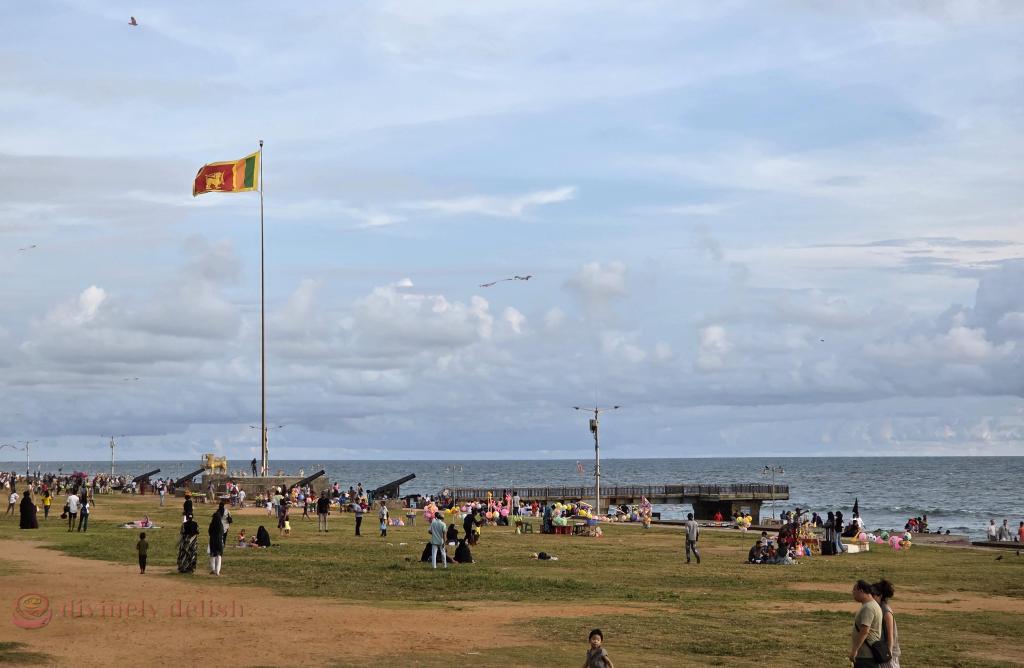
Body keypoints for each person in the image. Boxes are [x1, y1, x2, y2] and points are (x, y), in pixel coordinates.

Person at [849, 579, 883, 666]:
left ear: (861, 591)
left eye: (854, 591)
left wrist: (855, 650)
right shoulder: (872, 605)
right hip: (868, 654)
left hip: (866, 656)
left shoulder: (868, 608)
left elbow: (864, 631)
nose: (853, 593)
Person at [872, 579, 901, 668]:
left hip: (887, 654)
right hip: (880, 652)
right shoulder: (877, 609)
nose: (871, 597)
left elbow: (890, 636)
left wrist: (888, 654)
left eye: (873, 594)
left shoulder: (886, 611)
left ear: (880, 596)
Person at [208, 509, 224, 576]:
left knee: (212, 555)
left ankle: (213, 569)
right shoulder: (221, 525)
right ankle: (217, 571)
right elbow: (223, 532)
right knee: (219, 556)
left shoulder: (212, 524)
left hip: (212, 540)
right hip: (219, 541)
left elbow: (209, 532)